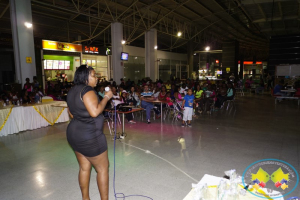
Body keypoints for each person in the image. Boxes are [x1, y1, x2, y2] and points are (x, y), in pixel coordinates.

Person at [66, 65, 113, 200]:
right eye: (93, 75)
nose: (96, 78)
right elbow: (95, 112)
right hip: (90, 137)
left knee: (84, 168)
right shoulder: (87, 90)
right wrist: (106, 97)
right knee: (102, 168)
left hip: (74, 134)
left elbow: (71, 113)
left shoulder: (72, 91)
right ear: (85, 77)